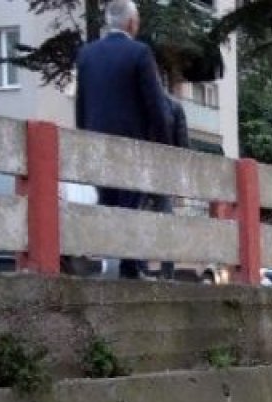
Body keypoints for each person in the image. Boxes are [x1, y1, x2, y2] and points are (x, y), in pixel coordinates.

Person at [75, 0, 169, 280]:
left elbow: (81, 104)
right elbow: (155, 104)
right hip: (131, 148)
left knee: (107, 202)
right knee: (130, 205)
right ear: (131, 23)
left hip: (96, 145)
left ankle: (109, 266)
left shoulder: (86, 55)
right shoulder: (139, 53)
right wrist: (164, 147)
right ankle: (129, 268)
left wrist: (82, 140)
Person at [148, 96, 189, 279]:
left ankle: (160, 271)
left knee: (162, 217)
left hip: (155, 173)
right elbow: (183, 147)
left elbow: (183, 149)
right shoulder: (172, 107)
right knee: (164, 220)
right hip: (156, 173)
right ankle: (163, 273)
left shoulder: (174, 107)